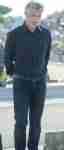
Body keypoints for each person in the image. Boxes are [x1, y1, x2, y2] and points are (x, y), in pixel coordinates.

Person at [4, 1, 51, 150]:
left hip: (39, 84)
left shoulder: (46, 34)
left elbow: (46, 56)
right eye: (32, 15)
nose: (35, 19)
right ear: (25, 15)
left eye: (38, 16)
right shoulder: (14, 34)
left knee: (36, 122)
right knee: (21, 121)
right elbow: (7, 57)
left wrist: (42, 72)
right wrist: (14, 73)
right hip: (21, 84)